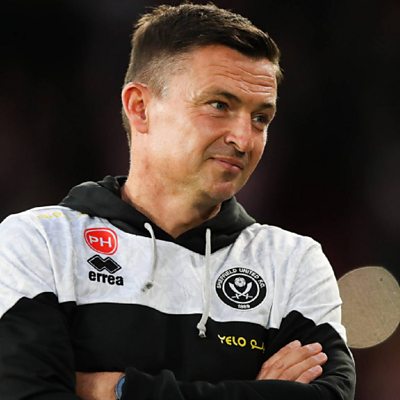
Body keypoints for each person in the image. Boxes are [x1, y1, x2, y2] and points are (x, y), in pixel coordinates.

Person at [0, 3, 355, 400]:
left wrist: (122, 390)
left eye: (260, 118)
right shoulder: (41, 243)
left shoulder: (293, 262)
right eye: (219, 105)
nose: (244, 139)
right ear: (140, 107)